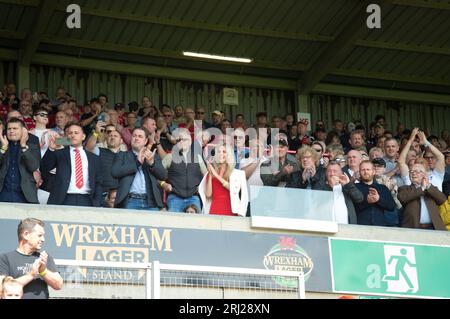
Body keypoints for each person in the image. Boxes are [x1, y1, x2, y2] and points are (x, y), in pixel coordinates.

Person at [40, 123, 103, 207]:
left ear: (83, 137)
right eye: (70, 133)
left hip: (87, 199)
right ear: (67, 137)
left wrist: (97, 202)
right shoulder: (59, 154)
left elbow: (98, 182)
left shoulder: (94, 158)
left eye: (76, 133)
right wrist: (51, 149)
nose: (73, 135)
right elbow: (44, 168)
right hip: (63, 199)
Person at [0, 218, 63, 299]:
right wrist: (30, 275)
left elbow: (58, 285)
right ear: (26, 235)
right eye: (39, 235)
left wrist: (43, 271)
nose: (43, 239)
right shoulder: (5, 258)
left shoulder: (44, 258)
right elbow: (1, 288)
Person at [112, 128, 167, 210]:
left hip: (151, 202)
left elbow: (163, 176)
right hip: (129, 201)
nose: (136, 138)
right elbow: (115, 172)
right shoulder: (122, 155)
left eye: (140, 136)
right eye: (134, 136)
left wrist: (152, 163)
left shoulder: (153, 157)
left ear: (145, 141)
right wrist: (137, 162)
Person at [160, 130, 206, 213]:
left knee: (197, 225)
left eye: (183, 140)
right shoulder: (170, 157)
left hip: (193, 198)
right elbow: (156, 174)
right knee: (173, 225)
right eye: (178, 140)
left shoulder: (198, 157)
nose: (180, 142)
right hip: (174, 197)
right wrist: (163, 184)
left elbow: (207, 176)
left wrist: (201, 187)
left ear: (190, 142)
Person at [199, 144, 248, 216]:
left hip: (230, 210)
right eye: (218, 152)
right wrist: (210, 173)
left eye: (224, 152)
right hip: (214, 209)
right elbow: (208, 195)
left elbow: (234, 189)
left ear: (229, 155)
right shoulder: (211, 173)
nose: (221, 154)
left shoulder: (237, 174)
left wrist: (216, 175)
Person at [0, 118, 41, 204]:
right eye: (9, 129)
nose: (11, 131)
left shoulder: (32, 144)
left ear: (23, 131)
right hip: (3, 194)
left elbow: (33, 166)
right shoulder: (2, 144)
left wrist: (23, 146)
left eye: (15, 128)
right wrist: (3, 148)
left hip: (25, 196)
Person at [398, 163, 446, 230]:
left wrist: (427, 186)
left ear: (425, 174)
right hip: (412, 228)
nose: (414, 173)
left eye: (417, 171)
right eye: (411, 172)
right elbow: (402, 198)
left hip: (433, 227)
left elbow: (443, 199)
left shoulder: (430, 188)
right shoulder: (404, 188)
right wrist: (422, 188)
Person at [354, 160, 396, 226]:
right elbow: (352, 207)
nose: (365, 172)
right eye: (363, 170)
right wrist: (367, 201)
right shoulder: (355, 187)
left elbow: (392, 206)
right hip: (360, 226)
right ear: (359, 172)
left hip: (380, 227)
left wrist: (379, 199)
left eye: (368, 169)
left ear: (373, 172)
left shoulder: (382, 188)